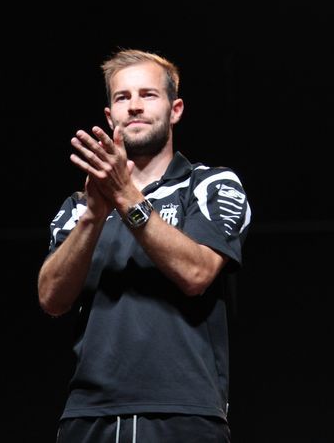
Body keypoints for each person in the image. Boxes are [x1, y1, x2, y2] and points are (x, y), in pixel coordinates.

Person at [38, 49, 251, 442]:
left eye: (148, 95)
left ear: (175, 109)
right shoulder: (80, 207)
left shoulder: (208, 184)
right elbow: (51, 298)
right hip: (89, 415)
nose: (134, 106)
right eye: (123, 97)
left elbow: (196, 273)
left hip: (183, 412)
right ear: (110, 116)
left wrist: (125, 197)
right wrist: (94, 215)